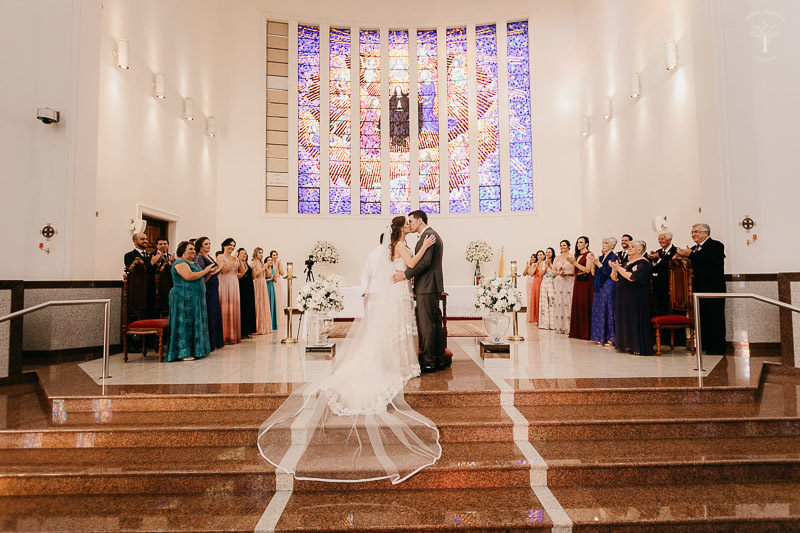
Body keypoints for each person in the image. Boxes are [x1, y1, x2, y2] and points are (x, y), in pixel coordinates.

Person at [258, 217, 441, 484]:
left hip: (398, 289)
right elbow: (412, 264)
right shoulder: (401, 245)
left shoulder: (392, 246)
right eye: (407, 224)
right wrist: (424, 248)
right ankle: (398, 364)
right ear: (401, 228)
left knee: (396, 330)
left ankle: (397, 361)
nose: (409, 226)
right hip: (398, 290)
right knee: (398, 329)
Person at [392, 210, 446, 372]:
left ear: (420, 220)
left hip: (427, 286)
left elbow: (425, 262)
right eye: (407, 222)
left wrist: (406, 275)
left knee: (427, 324)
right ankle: (439, 359)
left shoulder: (428, 235)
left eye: (411, 221)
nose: (409, 224)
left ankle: (429, 361)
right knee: (434, 323)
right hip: (430, 285)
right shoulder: (428, 235)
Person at [676, 223, 726, 354]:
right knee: (702, 318)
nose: (693, 234)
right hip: (698, 288)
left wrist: (690, 255)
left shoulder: (716, 245)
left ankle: (717, 347)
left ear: (705, 233)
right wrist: (682, 257)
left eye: (696, 232)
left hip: (713, 289)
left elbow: (712, 261)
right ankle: (705, 344)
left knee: (715, 318)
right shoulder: (694, 249)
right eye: (692, 232)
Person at [166, 241, 215, 362]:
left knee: (195, 322)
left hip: (195, 298)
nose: (194, 251)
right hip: (183, 297)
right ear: (183, 251)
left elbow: (200, 279)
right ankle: (183, 353)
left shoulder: (194, 263)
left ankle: (197, 350)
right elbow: (189, 276)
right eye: (190, 249)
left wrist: (209, 274)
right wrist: (205, 270)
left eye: (194, 249)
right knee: (184, 323)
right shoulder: (180, 263)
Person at [611, 240, 654, 355]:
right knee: (624, 318)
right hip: (623, 296)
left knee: (634, 319)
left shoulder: (643, 263)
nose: (629, 248)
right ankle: (626, 345)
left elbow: (632, 277)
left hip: (635, 297)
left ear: (639, 250)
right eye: (629, 246)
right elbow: (615, 278)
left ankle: (637, 346)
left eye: (632, 247)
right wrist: (614, 268)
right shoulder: (627, 262)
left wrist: (619, 268)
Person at [194, 237, 224, 351]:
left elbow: (213, 272)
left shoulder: (209, 256)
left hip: (214, 288)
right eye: (206, 244)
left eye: (209, 243)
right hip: (208, 288)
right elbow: (203, 275)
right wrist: (214, 271)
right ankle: (210, 342)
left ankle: (216, 341)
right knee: (210, 312)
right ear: (200, 246)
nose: (209, 246)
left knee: (215, 311)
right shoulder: (198, 257)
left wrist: (219, 270)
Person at [589, 237, 618, 346]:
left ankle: (611, 337)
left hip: (608, 285)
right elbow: (594, 273)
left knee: (608, 309)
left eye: (606, 243)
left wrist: (598, 263)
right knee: (599, 310)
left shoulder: (613, 257)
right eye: (603, 243)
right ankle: (599, 336)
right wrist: (593, 263)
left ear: (612, 246)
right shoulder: (601, 257)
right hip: (599, 286)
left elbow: (607, 272)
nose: (603, 245)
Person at [568, 236, 593, 340]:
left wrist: (575, 263)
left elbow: (587, 270)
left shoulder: (589, 254)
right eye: (578, 242)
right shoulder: (577, 255)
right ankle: (577, 331)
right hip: (578, 281)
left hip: (586, 283)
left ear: (586, 244)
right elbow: (574, 271)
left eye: (581, 242)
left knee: (584, 304)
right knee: (577, 304)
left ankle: (585, 332)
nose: (578, 244)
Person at [217, 238, 242, 345]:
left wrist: (239, 260)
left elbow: (240, 271)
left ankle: (233, 335)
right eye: (230, 245)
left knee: (234, 307)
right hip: (224, 281)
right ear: (224, 246)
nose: (232, 247)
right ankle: (224, 336)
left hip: (234, 281)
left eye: (233, 246)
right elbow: (223, 270)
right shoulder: (220, 257)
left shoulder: (234, 258)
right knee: (225, 306)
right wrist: (233, 261)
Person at [648, 231, 677, 317]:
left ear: (669, 240)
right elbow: (655, 268)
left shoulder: (676, 251)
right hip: (658, 283)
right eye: (659, 239)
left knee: (667, 309)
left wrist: (659, 259)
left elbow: (670, 266)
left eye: (662, 239)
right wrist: (654, 260)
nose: (660, 241)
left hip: (670, 284)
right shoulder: (658, 251)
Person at [552, 240, 575, 334]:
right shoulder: (557, 258)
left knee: (568, 302)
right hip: (559, 281)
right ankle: (560, 327)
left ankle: (569, 327)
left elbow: (574, 270)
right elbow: (553, 271)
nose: (562, 247)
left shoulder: (572, 256)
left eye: (564, 245)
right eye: (561, 245)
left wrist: (567, 273)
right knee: (559, 303)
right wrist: (559, 272)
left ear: (569, 246)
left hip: (569, 281)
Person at [251, 248, 272, 335]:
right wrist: (263, 268)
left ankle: (264, 326)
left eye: (262, 253)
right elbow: (254, 275)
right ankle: (257, 327)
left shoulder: (261, 263)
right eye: (259, 253)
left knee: (264, 304)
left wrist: (268, 266)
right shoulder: (253, 263)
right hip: (257, 283)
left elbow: (269, 274)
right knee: (258, 304)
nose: (261, 254)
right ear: (255, 253)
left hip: (263, 283)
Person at [237, 248, 257, 339]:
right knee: (243, 307)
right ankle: (243, 331)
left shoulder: (248, 265)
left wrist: (253, 269)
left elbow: (254, 277)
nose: (244, 255)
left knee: (250, 307)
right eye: (242, 253)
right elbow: (241, 273)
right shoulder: (238, 263)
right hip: (242, 286)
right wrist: (240, 260)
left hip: (249, 287)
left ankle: (250, 329)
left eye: (245, 253)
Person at [538, 247, 557, 329]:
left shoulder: (555, 262)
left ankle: (553, 323)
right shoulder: (542, 263)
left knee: (552, 301)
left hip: (552, 282)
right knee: (544, 302)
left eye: (549, 252)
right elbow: (540, 274)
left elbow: (555, 273)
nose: (547, 254)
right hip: (544, 283)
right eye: (546, 252)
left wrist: (550, 266)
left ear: (552, 253)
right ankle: (544, 323)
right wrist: (545, 267)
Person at [524, 252, 544, 324]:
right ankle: (532, 317)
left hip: (539, 281)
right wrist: (527, 266)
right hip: (532, 282)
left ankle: (540, 317)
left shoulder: (544, 263)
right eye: (531, 257)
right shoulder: (533, 265)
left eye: (534, 257)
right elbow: (527, 273)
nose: (533, 258)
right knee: (531, 299)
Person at [269, 251, 287, 326]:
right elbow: (272, 272)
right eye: (273, 255)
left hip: (278, 281)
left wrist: (279, 265)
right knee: (273, 298)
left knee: (278, 299)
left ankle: (279, 319)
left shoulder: (279, 263)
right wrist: (275, 266)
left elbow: (282, 273)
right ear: (271, 256)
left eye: (276, 255)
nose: (275, 256)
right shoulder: (270, 263)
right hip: (272, 281)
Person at [265, 256, 279, 331]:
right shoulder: (265, 269)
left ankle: (272, 324)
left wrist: (274, 277)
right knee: (267, 303)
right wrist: (270, 278)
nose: (270, 261)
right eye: (268, 260)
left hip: (272, 287)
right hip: (266, 287)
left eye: (271, 260)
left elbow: (275, 280)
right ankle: (267, 323)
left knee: (272, 303)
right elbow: (263, 279)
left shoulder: (273, 269)